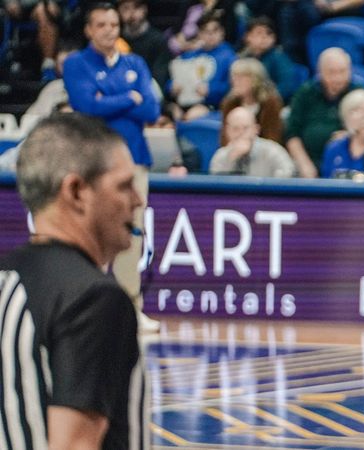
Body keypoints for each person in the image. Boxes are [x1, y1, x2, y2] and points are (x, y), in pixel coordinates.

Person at [3, 113, 148, 450]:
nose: (137, 200)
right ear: (76, 191)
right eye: (124, 186)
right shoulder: (94, 299)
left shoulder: (7, 277)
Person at [63, 2, 160, 331]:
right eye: (101, 25)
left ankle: (131, 307)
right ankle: (83, 305)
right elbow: (87, 105)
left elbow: (150, 109)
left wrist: (112, 98)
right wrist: (128, 97)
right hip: (93, 161)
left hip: (135, 161)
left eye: (113, 25)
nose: (109, 30)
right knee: (87, 229)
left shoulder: (135, 62)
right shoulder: (77, 63)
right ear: (89, 30)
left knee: (131, 233)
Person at [285, 47, 360, 178]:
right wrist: (304, 164)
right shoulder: (305, 93)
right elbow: (292, 133)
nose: (337, 78)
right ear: (320, 72)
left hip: (349, 167)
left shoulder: (361, 94)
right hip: (309, 164)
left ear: (350, 71)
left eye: (342, 72)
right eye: (331, 72)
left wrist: (351, 136)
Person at [167, 11, 237, 119]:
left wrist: (211, 90)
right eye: (205, 31)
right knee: (169, 112)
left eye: (215, 30)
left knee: (193, 115)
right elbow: (173, 77)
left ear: (222, 32)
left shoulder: (230, 57)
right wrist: (172, 87)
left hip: (214, 106)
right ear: (199, 34)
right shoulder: (188, 55)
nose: (210, 35)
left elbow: (233, 88)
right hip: (184, 102)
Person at [210, 106, 296, 177]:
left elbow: (288, 175)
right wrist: (231, 160)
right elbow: (216, 189)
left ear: (256, 130)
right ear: (227, 131)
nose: (240, 134)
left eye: (245, 128)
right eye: (235, 129)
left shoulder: (273, 151)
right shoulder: (220, 157)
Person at [219, 58, 285, 145]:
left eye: (241, 78)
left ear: (256, 80)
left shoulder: (270, 103)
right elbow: (225, 139)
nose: (235, 82)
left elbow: (272, 138)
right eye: (234, 77)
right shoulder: (229, 104)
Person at [239, 17, 300, 101]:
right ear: (247, 37)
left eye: (269, 33)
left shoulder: (279, 58)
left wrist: (265, 100)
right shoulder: (243, 59)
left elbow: (287, 87)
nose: (264, 37)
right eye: (259, 33)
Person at [117, 0, 170, 88]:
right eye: (126, 8)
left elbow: (159, 79)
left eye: (136, 7)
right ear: (118, 11)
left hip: (149, 92)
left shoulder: (157, 39)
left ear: (145, 9)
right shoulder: (115, 40)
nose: (131, 13)